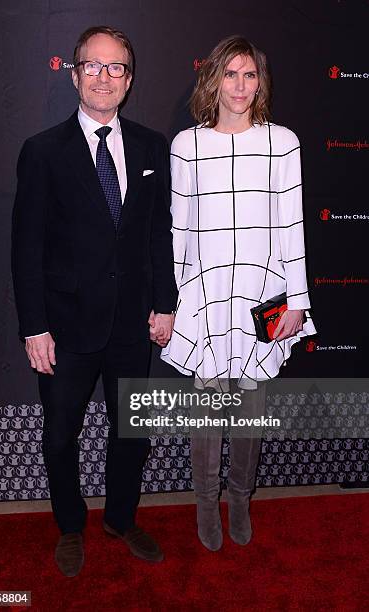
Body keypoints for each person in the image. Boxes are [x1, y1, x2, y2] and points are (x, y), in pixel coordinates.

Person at [11, 25, 177, 576]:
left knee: (133, 429)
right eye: (94, 66)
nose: (105, 77)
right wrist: (34, 325)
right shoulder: (42, 151)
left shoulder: (153, 147)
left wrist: (165, 303)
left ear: (129, 81)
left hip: (133, 322)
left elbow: (158, 232)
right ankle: (70, 525)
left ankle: (121, 517)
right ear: (75, 73)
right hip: (65, 326)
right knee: (60, 434)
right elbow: (26, 246)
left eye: (116, 68)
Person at [161, 35, 316, 551]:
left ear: (260, 82)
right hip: (203, 294)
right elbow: (177, 229)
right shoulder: (187, 145)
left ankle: (240, 499)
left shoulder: (283, 142)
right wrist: (173, 301)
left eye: (250, 75)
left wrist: (297, 301)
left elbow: (292, 226)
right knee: (208, 410)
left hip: (265, 294)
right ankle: (206, 504)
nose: (241, 86)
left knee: (250, 406)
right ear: (213, 78)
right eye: (231, 74)